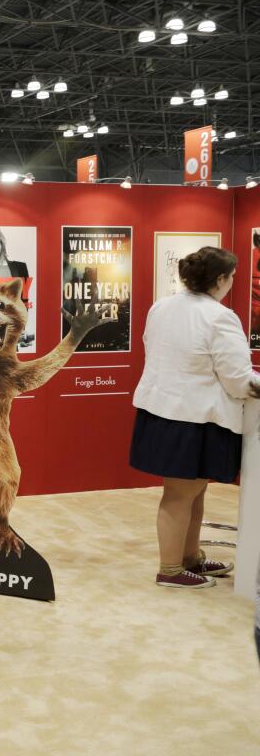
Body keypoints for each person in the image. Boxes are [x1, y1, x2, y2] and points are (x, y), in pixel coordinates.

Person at [130, 247, 259, 589]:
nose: (232, 282)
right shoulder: (219, 316)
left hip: (163, 411)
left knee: (193, 492)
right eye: (231, 277)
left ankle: (189, 558)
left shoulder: (162, 306)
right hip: (194, 418)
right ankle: (170, 570)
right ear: (220, 279)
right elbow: (238, 378)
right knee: (179, 495)